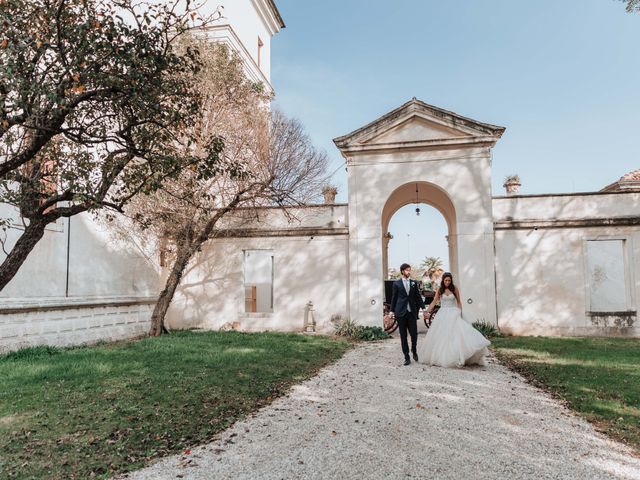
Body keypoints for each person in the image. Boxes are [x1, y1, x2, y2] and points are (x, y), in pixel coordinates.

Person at [418, 272, 490, 367]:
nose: (447, 282)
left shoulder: (454, 288)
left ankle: (460, 355)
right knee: (443, 335)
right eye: (446, 280)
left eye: (449, 280)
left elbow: (459, 302)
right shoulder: (440, 290)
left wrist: (459, 312)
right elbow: (434, 301)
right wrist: (427, 311)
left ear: (451, 281)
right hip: (443, 314)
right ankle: (442, 357)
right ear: (443, 280)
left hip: (453, 313)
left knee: (459, 333)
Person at [390, 263, 426, 365]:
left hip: (411, 313)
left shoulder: (413, 283)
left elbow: (418, 297)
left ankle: (414, 351)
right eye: (407, 270)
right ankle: (406, 357)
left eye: (409, 270)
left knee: (414, 334)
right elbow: (394, 298)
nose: (408, 272)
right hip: (400, 312)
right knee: (403, 336)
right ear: (402, 271)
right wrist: (391, 311)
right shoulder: (396, 284)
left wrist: (423, 308)